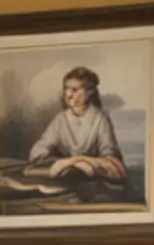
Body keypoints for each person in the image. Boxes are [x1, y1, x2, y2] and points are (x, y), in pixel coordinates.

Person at [27, 66, 127, 199]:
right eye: (66, 89)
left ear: (89, 91)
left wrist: (78, 160)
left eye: (74, 89)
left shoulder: (100, 120)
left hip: (93, 178)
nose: (68, 95)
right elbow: (38, 150)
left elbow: (111, 160)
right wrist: (64, 162)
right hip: (67, 175)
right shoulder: (61, 120)